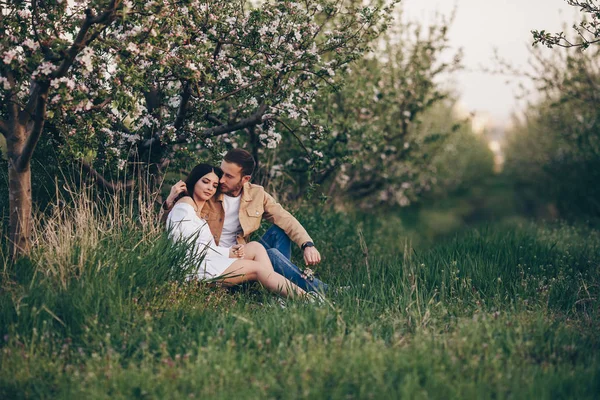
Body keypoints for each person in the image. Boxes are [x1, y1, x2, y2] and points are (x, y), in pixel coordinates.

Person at [163, 149, 328, 293]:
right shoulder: (209, 193)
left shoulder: (257, 195)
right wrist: (168, 203)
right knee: (271, 255)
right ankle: (315, 291)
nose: (220, 180)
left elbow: (285, 218)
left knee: (279, 232)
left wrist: (307, 245)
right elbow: (177, 223)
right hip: (216, 256)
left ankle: (283, 289)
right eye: (222, 172)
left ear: (245, 179)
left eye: (228, 176)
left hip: (241, 252)